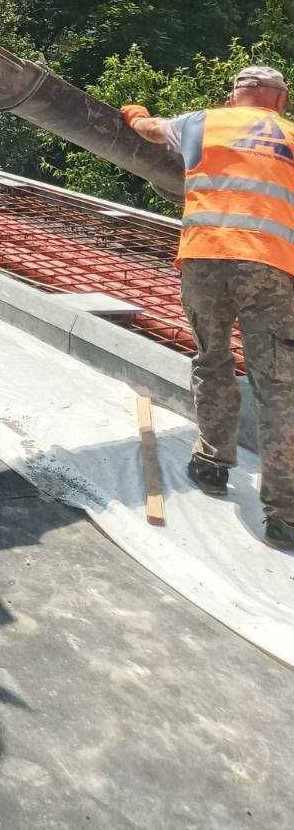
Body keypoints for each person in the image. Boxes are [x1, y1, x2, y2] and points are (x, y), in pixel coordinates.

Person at [122, 65, 294, 547]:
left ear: (234, 95)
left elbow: (150, 130)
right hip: (270, 266)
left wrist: (136, 113)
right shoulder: (289, 135)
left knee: (212, 360)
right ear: (280, 101)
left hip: (204, 258)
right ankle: (284, 514)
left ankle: (213, 464)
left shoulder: (203, 122)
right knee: (277, 384)